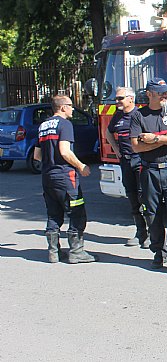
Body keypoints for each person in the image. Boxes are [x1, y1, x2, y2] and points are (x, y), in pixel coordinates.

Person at [130, 77, 167, 274]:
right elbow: (137, 146)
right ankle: (159, 252)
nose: (165, 95)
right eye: (160, 92)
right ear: (149, 94)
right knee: (152, 215)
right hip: (149, 171)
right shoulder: (139, 116)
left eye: (166, 92)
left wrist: (155, 137)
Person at [34, 95, 96, 264]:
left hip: (47, 176)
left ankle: (53, 252)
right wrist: (81, 166)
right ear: (62, 108)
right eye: (70, 105)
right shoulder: (65, 124)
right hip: (65, 177)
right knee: (77, 213)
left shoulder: (43, 126)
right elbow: (65, 151)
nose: (72, 109)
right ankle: (76, 252)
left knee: (53, 214)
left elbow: (37, 156)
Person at [106, 86, 149, 248]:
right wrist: (116, 150)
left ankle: (152, 233)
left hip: (140, 161)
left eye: (120, 98)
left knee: (144, 197)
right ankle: (140, 232)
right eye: (116, 98)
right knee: (132, 197)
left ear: (131, 99)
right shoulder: (117, 116)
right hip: (125, 161)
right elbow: (108, 133)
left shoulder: (140, 115)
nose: (117, 101)